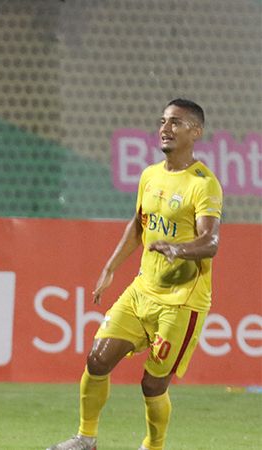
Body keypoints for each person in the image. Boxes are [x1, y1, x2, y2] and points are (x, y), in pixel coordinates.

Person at [48, 99, 222, 450]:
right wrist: (110, 267)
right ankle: (85, 439)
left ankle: (153, 446)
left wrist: (179, 249)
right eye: (162, 121)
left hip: (181, 301)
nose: (165, 128)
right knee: (97, 359)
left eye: (176, 122)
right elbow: (138, 225)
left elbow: (211, 241)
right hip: (142, 290)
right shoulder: (150, 175)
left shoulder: (204, 184)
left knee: (152, 385)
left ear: (196, 132)